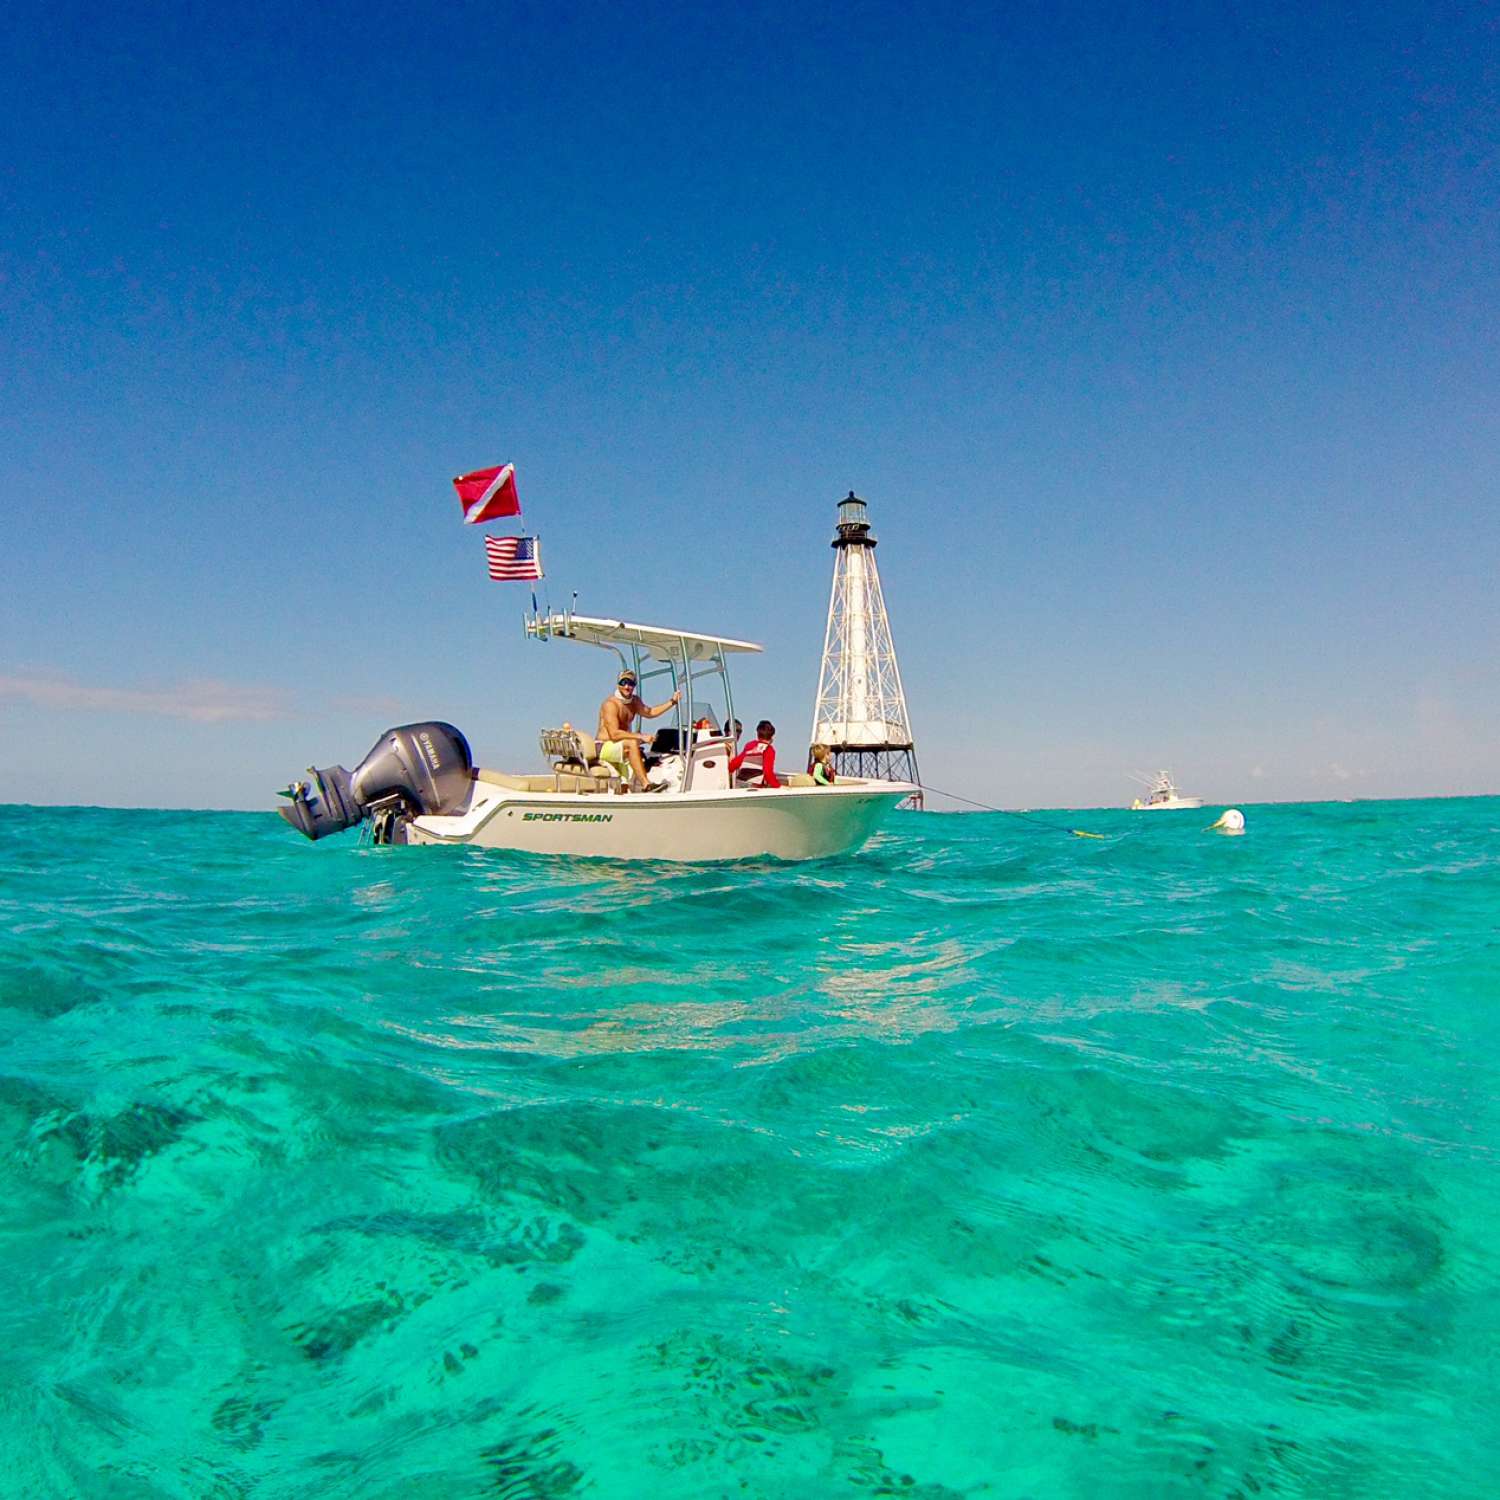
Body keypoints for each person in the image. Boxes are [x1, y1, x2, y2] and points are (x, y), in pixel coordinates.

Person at [597, 669, 681, 791]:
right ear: (618, 684)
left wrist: (672, 702)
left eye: (630, 683)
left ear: (634, 686)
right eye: (623, 682)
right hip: (604, 747)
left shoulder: (635, 701)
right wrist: (640, 737)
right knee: (632, 743)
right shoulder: (610, 704)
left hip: (621, 746)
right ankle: (646, 784)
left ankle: (628, 792)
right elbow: (614, 734)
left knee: (638, 748)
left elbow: (650, 712)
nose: (627, 686)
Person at [730, 720, 780, 789]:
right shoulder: (769, 750)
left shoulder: (750, 745)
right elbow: (768, 772)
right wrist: (777, 786)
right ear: (772, 736)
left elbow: (735, 762)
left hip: (740, 783)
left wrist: (728, 772)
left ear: (757, 734)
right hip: (754, 787)